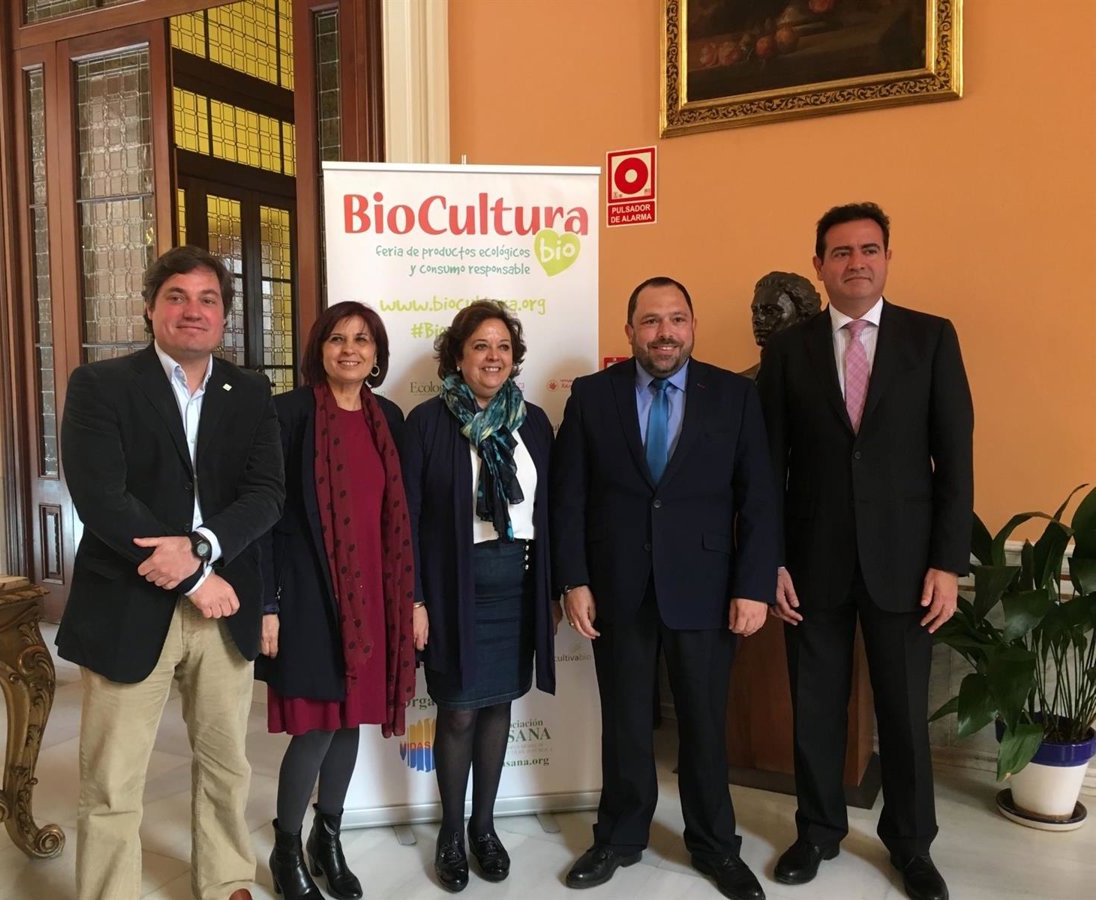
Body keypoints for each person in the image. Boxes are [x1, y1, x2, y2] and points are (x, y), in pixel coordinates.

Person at [757, 203, 973, 900]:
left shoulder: (931, 338)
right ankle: (818, 831)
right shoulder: (788, 350)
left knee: (904, 715)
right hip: (810, 563)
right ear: (819, 264)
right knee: (814, 709)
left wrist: (948, 562)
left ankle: (912, 845)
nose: (856, 262)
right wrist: (770, 561)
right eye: (842, 252)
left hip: (906, 566)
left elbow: (955, 458)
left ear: (887, 258)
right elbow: (767, 466)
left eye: (869, 249)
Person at [58, 244, 285, 900]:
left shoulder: (250, 391)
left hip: (224, 606)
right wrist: (193, 579)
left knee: (226, 763)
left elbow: (266, 493)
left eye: (208, 300)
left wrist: (203, 550)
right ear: (151, 309)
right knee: (113, 778)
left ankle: (226, 878)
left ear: (224, 317)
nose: (193, 310)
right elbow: (101, 497)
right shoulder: (100, 385)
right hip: (129, 604)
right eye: (177, 297)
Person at [551, 277, 777, 900]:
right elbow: (569, 499)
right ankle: (619, 837)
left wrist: (754, 585)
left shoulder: (734, 396)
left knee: (704, 724)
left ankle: (715, 845)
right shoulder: (592, 395)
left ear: (693, 326)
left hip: (706, 588)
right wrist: (573, 579)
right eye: (651, 321)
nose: (665, 332)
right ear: (630, 331)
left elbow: (760, 498)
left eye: (676, 319)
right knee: (625, 722)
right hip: (616, 587)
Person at [254, 301, 419, 900]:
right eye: (337, 339)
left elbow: (404, 519)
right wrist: (267, 604)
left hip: (374, 596)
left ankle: (328, 839)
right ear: (319, 349)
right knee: (316, 727)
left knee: (350, 720)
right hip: (307, 595)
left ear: (376, 354)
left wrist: (414, 599)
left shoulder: (388, 417)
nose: (350, 349)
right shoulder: (288, 414)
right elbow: (264, 517)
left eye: (362, 340)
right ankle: (286, 849)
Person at [402, 300, 558, 892]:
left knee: (498, 706)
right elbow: (408, 521)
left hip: (519, 585)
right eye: (480, 346)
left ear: (514, 357)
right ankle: (450, 834)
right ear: (458, 357)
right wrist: (415, 599)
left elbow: (550, 512)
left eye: (503, 347)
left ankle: (483, 828)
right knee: (459, 711)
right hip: (453, 591)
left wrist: (553, 590)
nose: (493, 357)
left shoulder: (533, 422)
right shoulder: (427, 423)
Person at [739, 271, 822, 380]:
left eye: (770, 311)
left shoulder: (826, 378)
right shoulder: (739, 383)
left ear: (802, 317)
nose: (758, 319)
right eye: (755, 311)